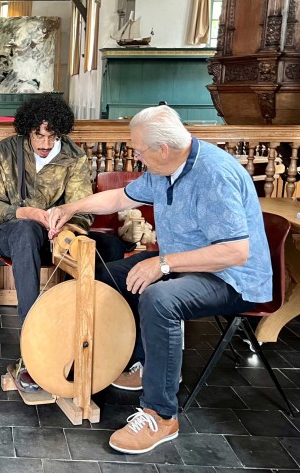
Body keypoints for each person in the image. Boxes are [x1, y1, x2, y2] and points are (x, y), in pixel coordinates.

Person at [49, 105, 272, 454]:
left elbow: (235, 253)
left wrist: (163, 264)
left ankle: (161, 415)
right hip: (186, 261)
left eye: (138, 150)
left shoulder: (214, 175)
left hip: (232, 278)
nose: (135, 156)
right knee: (108, 277)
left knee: (159, 298)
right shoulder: (164, 167)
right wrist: (71, 208)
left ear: (162, 149)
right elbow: (121, 196)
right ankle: (145, 363)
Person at [0, 94, 126, 390]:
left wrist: (66, 226)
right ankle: (33, 340)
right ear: (28, 130)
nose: (46, 143)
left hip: (56, 235)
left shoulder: (74, 157)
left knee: (111, 248)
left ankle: (101, 342)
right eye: (39, 134)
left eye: (53, 135)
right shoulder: (7, 150)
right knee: (24, 232)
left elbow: (82, 209)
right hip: (12, 232)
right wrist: (27, 212)